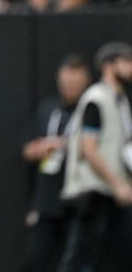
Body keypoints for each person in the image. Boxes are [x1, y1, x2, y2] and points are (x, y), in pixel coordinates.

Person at [59, 42, 132, 272]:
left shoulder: (119, 100)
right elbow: (89, 149)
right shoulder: (97, 98)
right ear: (109, 66)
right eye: (127, 62)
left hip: (109, 191)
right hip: (92, 192)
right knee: (80, 255)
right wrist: (117, 184)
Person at [21, 53, 92, 272]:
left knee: (76, 259)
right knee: (36, 259)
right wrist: (40, 149)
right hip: (47, 199)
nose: (70, 87)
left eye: (75, 83)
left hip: (79, 199)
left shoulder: (91, 110)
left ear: (86, 82)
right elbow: (26, 150)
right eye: (66, 82)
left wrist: (65, 145)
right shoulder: (47, 108)